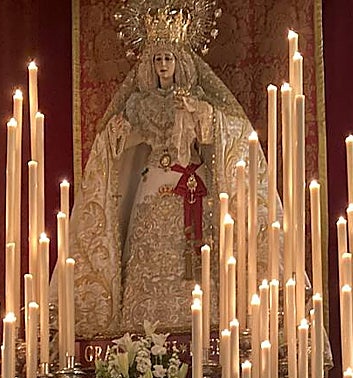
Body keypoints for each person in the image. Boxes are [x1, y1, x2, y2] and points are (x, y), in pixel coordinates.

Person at [72, 27, 274, 337]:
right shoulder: (139, 105)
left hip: (192, 183)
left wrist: (198, 114)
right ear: (149, 66)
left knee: (196, 251)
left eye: (168, 58)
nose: (163, 65)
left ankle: (205, 318)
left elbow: (226, 127)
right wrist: (115, 131)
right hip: (152, 183)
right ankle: (142, 329)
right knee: (149, 248)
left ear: (180, 62)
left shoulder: (196, 101)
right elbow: (119, 141)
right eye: (157, 60)